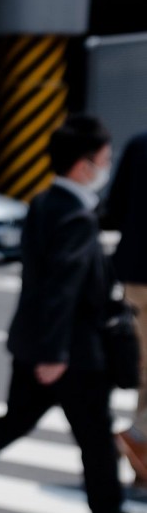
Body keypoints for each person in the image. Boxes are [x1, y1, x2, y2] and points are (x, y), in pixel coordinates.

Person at [0, 116, 147, 513]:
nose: (107, 166)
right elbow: (63, 288)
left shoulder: (44, 202)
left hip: (36, 341)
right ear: (83, 165)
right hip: (71, 350)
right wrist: (54, 353)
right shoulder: (76, 215)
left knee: (16, 422)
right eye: (104, 159)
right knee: (94, 433)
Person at [103, 127, 147, 481]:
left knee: (146, 371)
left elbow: (114, 210)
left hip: (136, 274)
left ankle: (142, 462)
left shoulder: (139, 144)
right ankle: (138, 435)